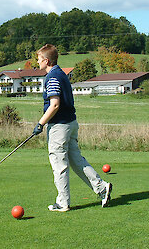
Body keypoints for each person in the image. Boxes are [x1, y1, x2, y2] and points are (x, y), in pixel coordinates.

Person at [33, 44, 112, 212]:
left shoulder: (52, 77)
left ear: (46, 60)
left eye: (39, 60)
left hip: (59, 127)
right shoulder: (62, 74)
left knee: (59, 165)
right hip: (70, 124)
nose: (37, 62)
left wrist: (40, 123)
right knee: (77, 161)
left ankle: (62, 202)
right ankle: (102, 188)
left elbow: (54, 105)